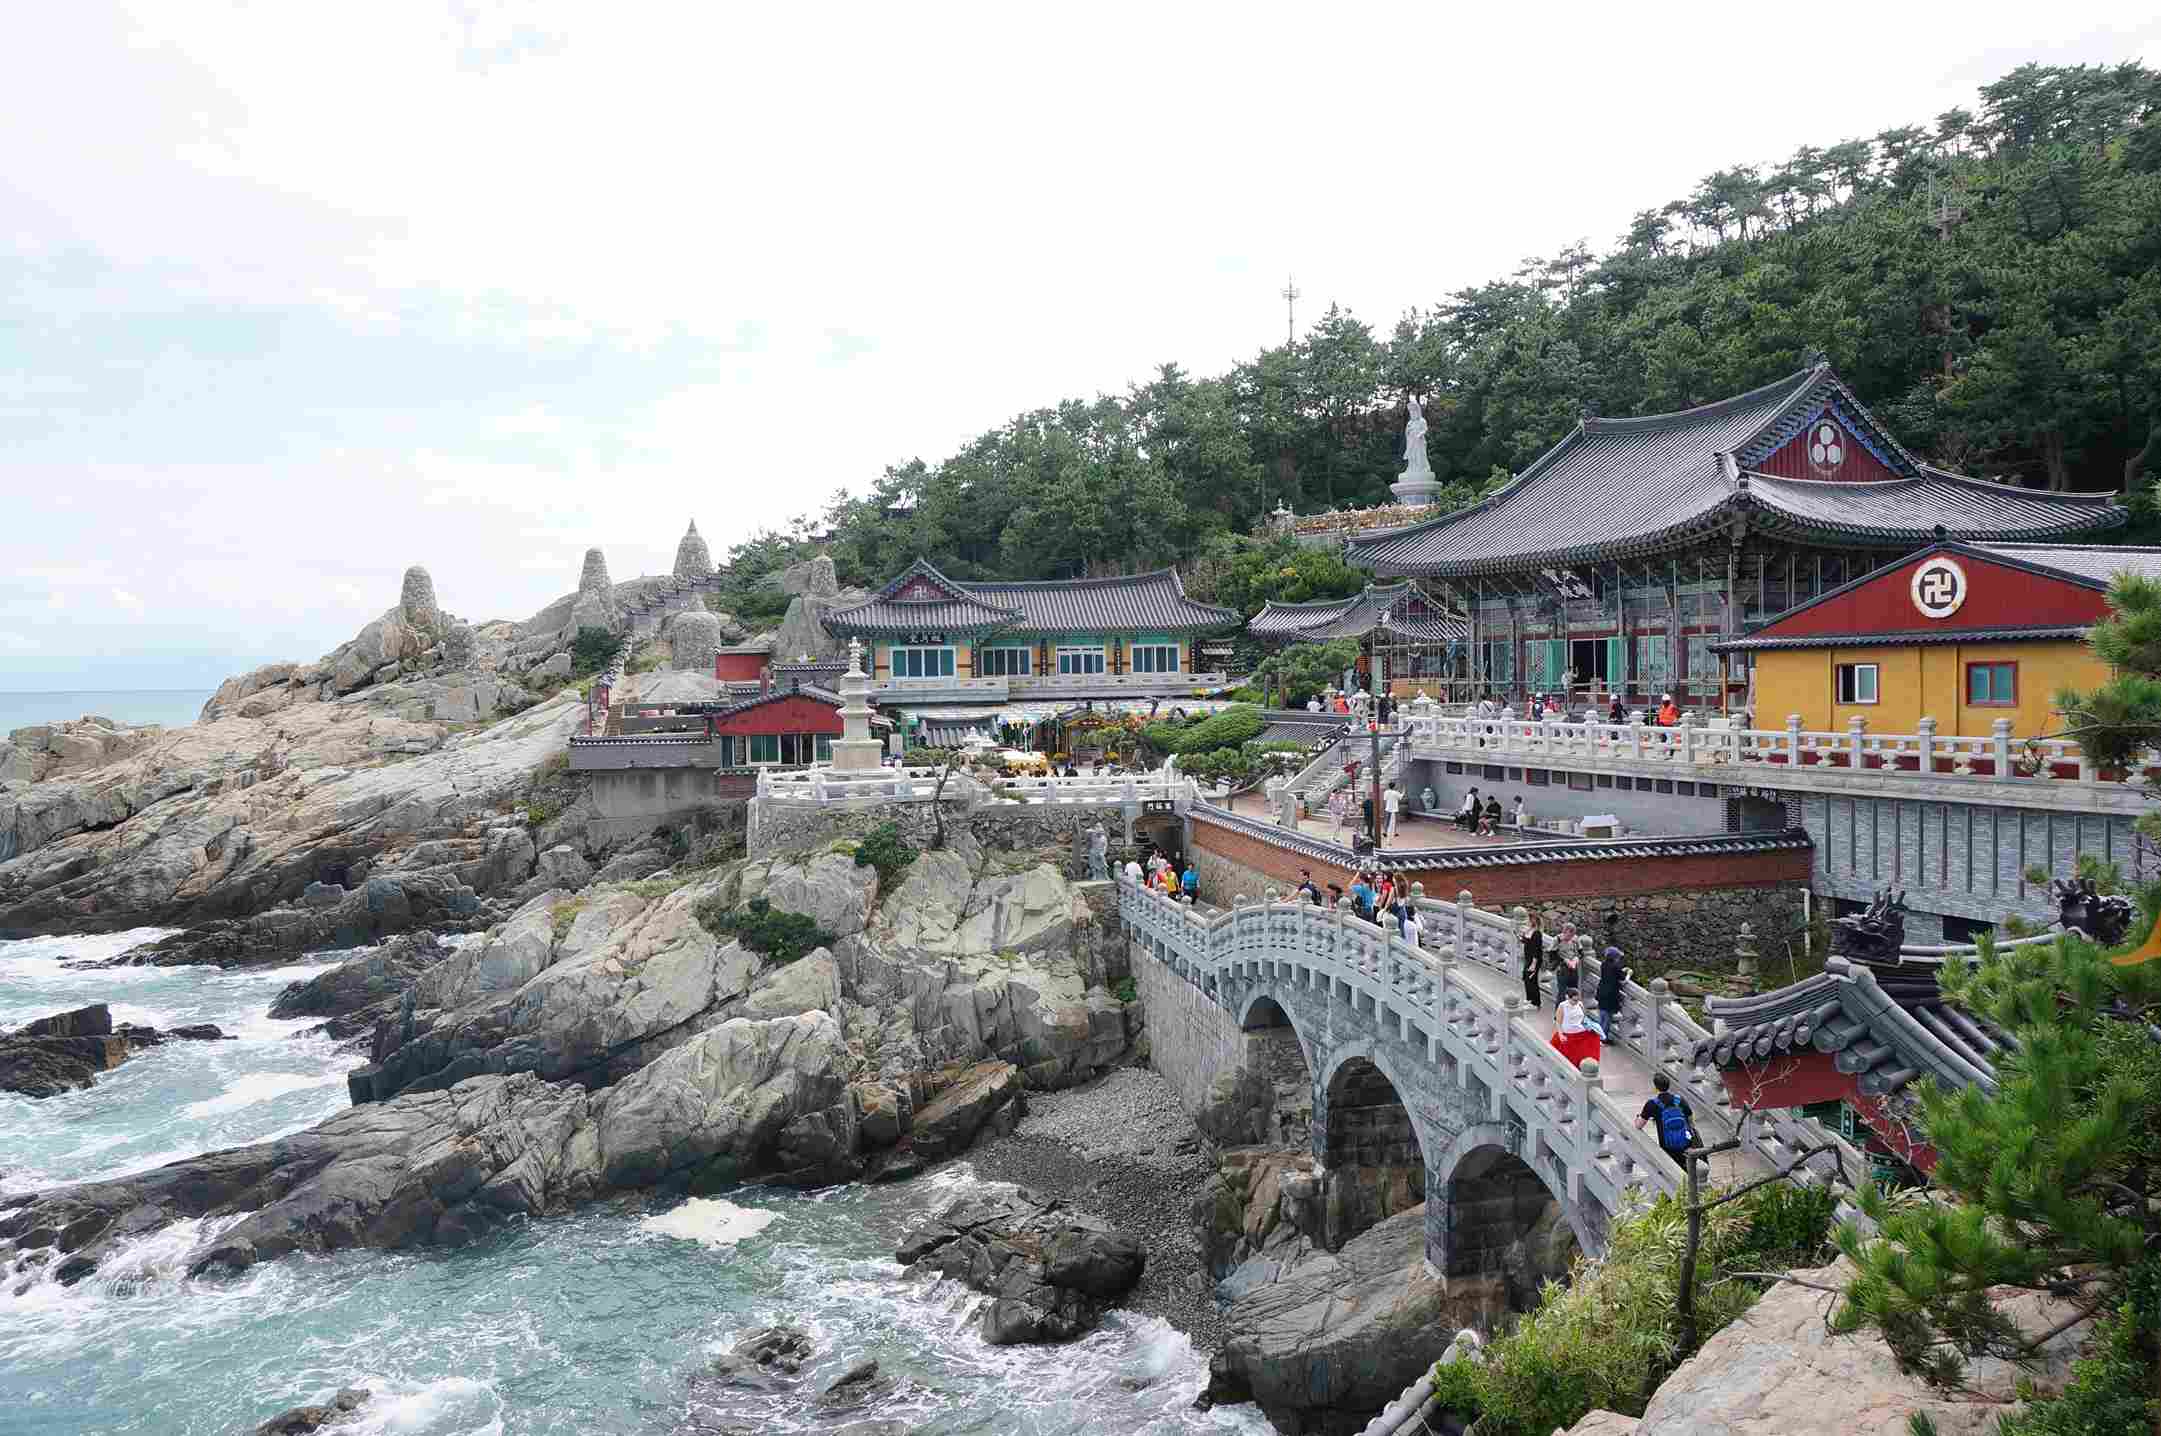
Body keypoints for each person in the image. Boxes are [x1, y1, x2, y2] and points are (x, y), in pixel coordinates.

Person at [1638, 1072, 1696, 1159]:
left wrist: (1637, 1118)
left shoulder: (1652, 1104)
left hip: (1667, 1147)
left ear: (1655, 1088)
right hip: (1685, 1143)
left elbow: (1639, 1125)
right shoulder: (1680, 1100)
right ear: (1669, 1085)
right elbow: (1691, 1121)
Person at [1550, 987, 1600, 1069]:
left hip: (1581, 1031)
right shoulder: (1562, 1006)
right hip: (1568, 1033)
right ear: (1567, 997)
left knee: (1594, 1037)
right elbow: (1558, 1022)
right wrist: (1560, 1035)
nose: (1576, 1002)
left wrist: (1591, 1027)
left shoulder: (1580, 1004)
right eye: (1574, 1000)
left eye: (1577, 1000)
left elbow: (1584, 1017)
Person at [1595, 945, 1628, 1039]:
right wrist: (1628, 973)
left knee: (1601, 1015)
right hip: (1611, 994)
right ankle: (1603, 1038)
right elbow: (1623, 979)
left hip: (1601, 991)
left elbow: (1613, 973)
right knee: (1608, 1017)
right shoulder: (1615, 967)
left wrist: (1622, 971)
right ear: (1615, 957)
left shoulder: (1603, 964)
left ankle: (1598, 1035)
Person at [1520, 910, 1547, 1009]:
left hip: (1534, 960)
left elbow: (1537, 949)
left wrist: (1534, 964)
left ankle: (1535, 1003)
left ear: (1533, 920)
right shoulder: (1529, 931)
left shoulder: (1537, 933)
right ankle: (1529, 999)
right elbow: (1525, 942)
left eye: (1529, 919)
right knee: (1526, 979)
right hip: (1528, 958)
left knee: (1532, 980)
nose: (1527, 921)